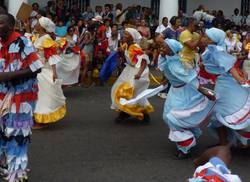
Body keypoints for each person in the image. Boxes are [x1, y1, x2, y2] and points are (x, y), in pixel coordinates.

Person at [0, 14, 43, 182]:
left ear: (11, 26)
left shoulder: (23, 42)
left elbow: (37, 67)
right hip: (3, 95)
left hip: (22, 97)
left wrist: (8, 75)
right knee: (3, 131)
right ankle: (5, 165)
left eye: (1, 23)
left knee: (18, 133)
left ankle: (17, 173)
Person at [158, 38, 215, 159]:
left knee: (173, 117)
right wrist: (165, 81)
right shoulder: (169, 58)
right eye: (161, 46)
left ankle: (185, 146)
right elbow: (169, 72)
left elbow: (190, 78)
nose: (161, 48)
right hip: (175, 90)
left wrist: (205, 92)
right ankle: (187, 136)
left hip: (184, 92)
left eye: (164, 47)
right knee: (171, 116)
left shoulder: (175, 64)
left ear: (171, 50)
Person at [200, 28, 250, 146]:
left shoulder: (216, 51)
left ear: (213, 41)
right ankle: (224, 142)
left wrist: (240, 80)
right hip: (222, 83)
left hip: (226, 85)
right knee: (219, 115)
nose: (204, 38)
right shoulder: (212, 50)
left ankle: (228, 142)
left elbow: (229, 67)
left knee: (222, 113)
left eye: (207, 37)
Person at [111, 28, 153, 123]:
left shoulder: (135, 47)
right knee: (121, 89)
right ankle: (126, 112)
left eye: (126, 34)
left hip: (138, 71)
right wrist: (121, 51)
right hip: (129, 70)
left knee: (132, 92)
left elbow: (144, 60)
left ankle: (141, 114)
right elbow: (129, 57)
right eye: (124, 34)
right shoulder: (126, 45)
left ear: (131, 37)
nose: (124, 36)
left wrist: (139, 74)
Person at [32, 17, 66, 128]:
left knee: (43, 97)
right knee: (37, 95)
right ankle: (37, 118)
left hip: (44, 70)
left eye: (37, 23)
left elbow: (51, 57)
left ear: (41, 27)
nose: (34, 24)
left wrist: (54, 73)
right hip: (36, 70)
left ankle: (42, 120)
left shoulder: (46, 39)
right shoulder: (38, 37)